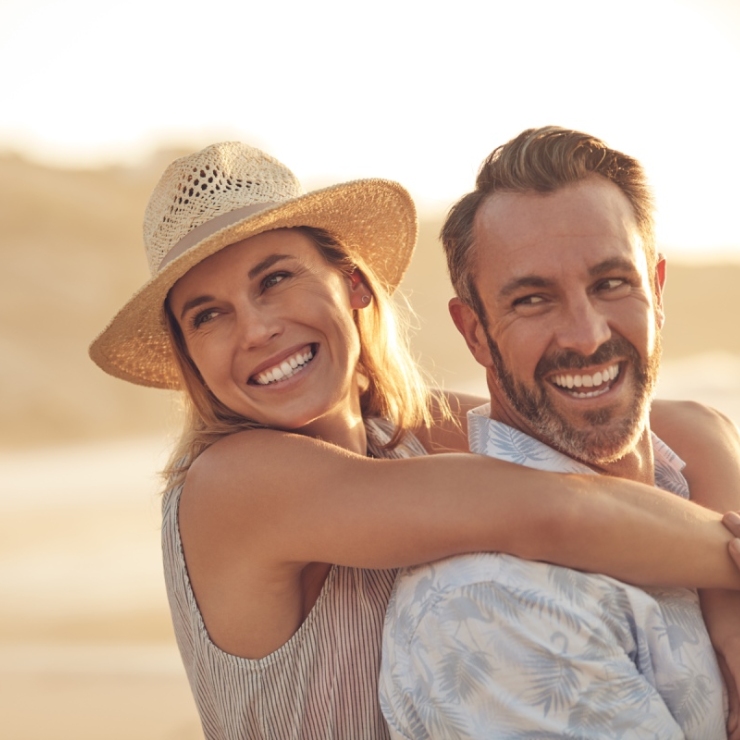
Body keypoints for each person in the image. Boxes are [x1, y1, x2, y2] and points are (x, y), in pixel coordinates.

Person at [89, 141, 740, 740]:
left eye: (276, 278)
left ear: (351, 285)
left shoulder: (395, 436)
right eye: (209, 315)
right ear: (190, 356)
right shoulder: (231, 485)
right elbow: (553, 510)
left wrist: (730, 614)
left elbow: (689, 427)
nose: (256, 329)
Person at [379, 126, 740, 739]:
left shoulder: (691, 477)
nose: (586, 334)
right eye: (532, 300)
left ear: (655, 288)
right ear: (474, 334)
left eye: (611, 283)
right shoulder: (494, 604)